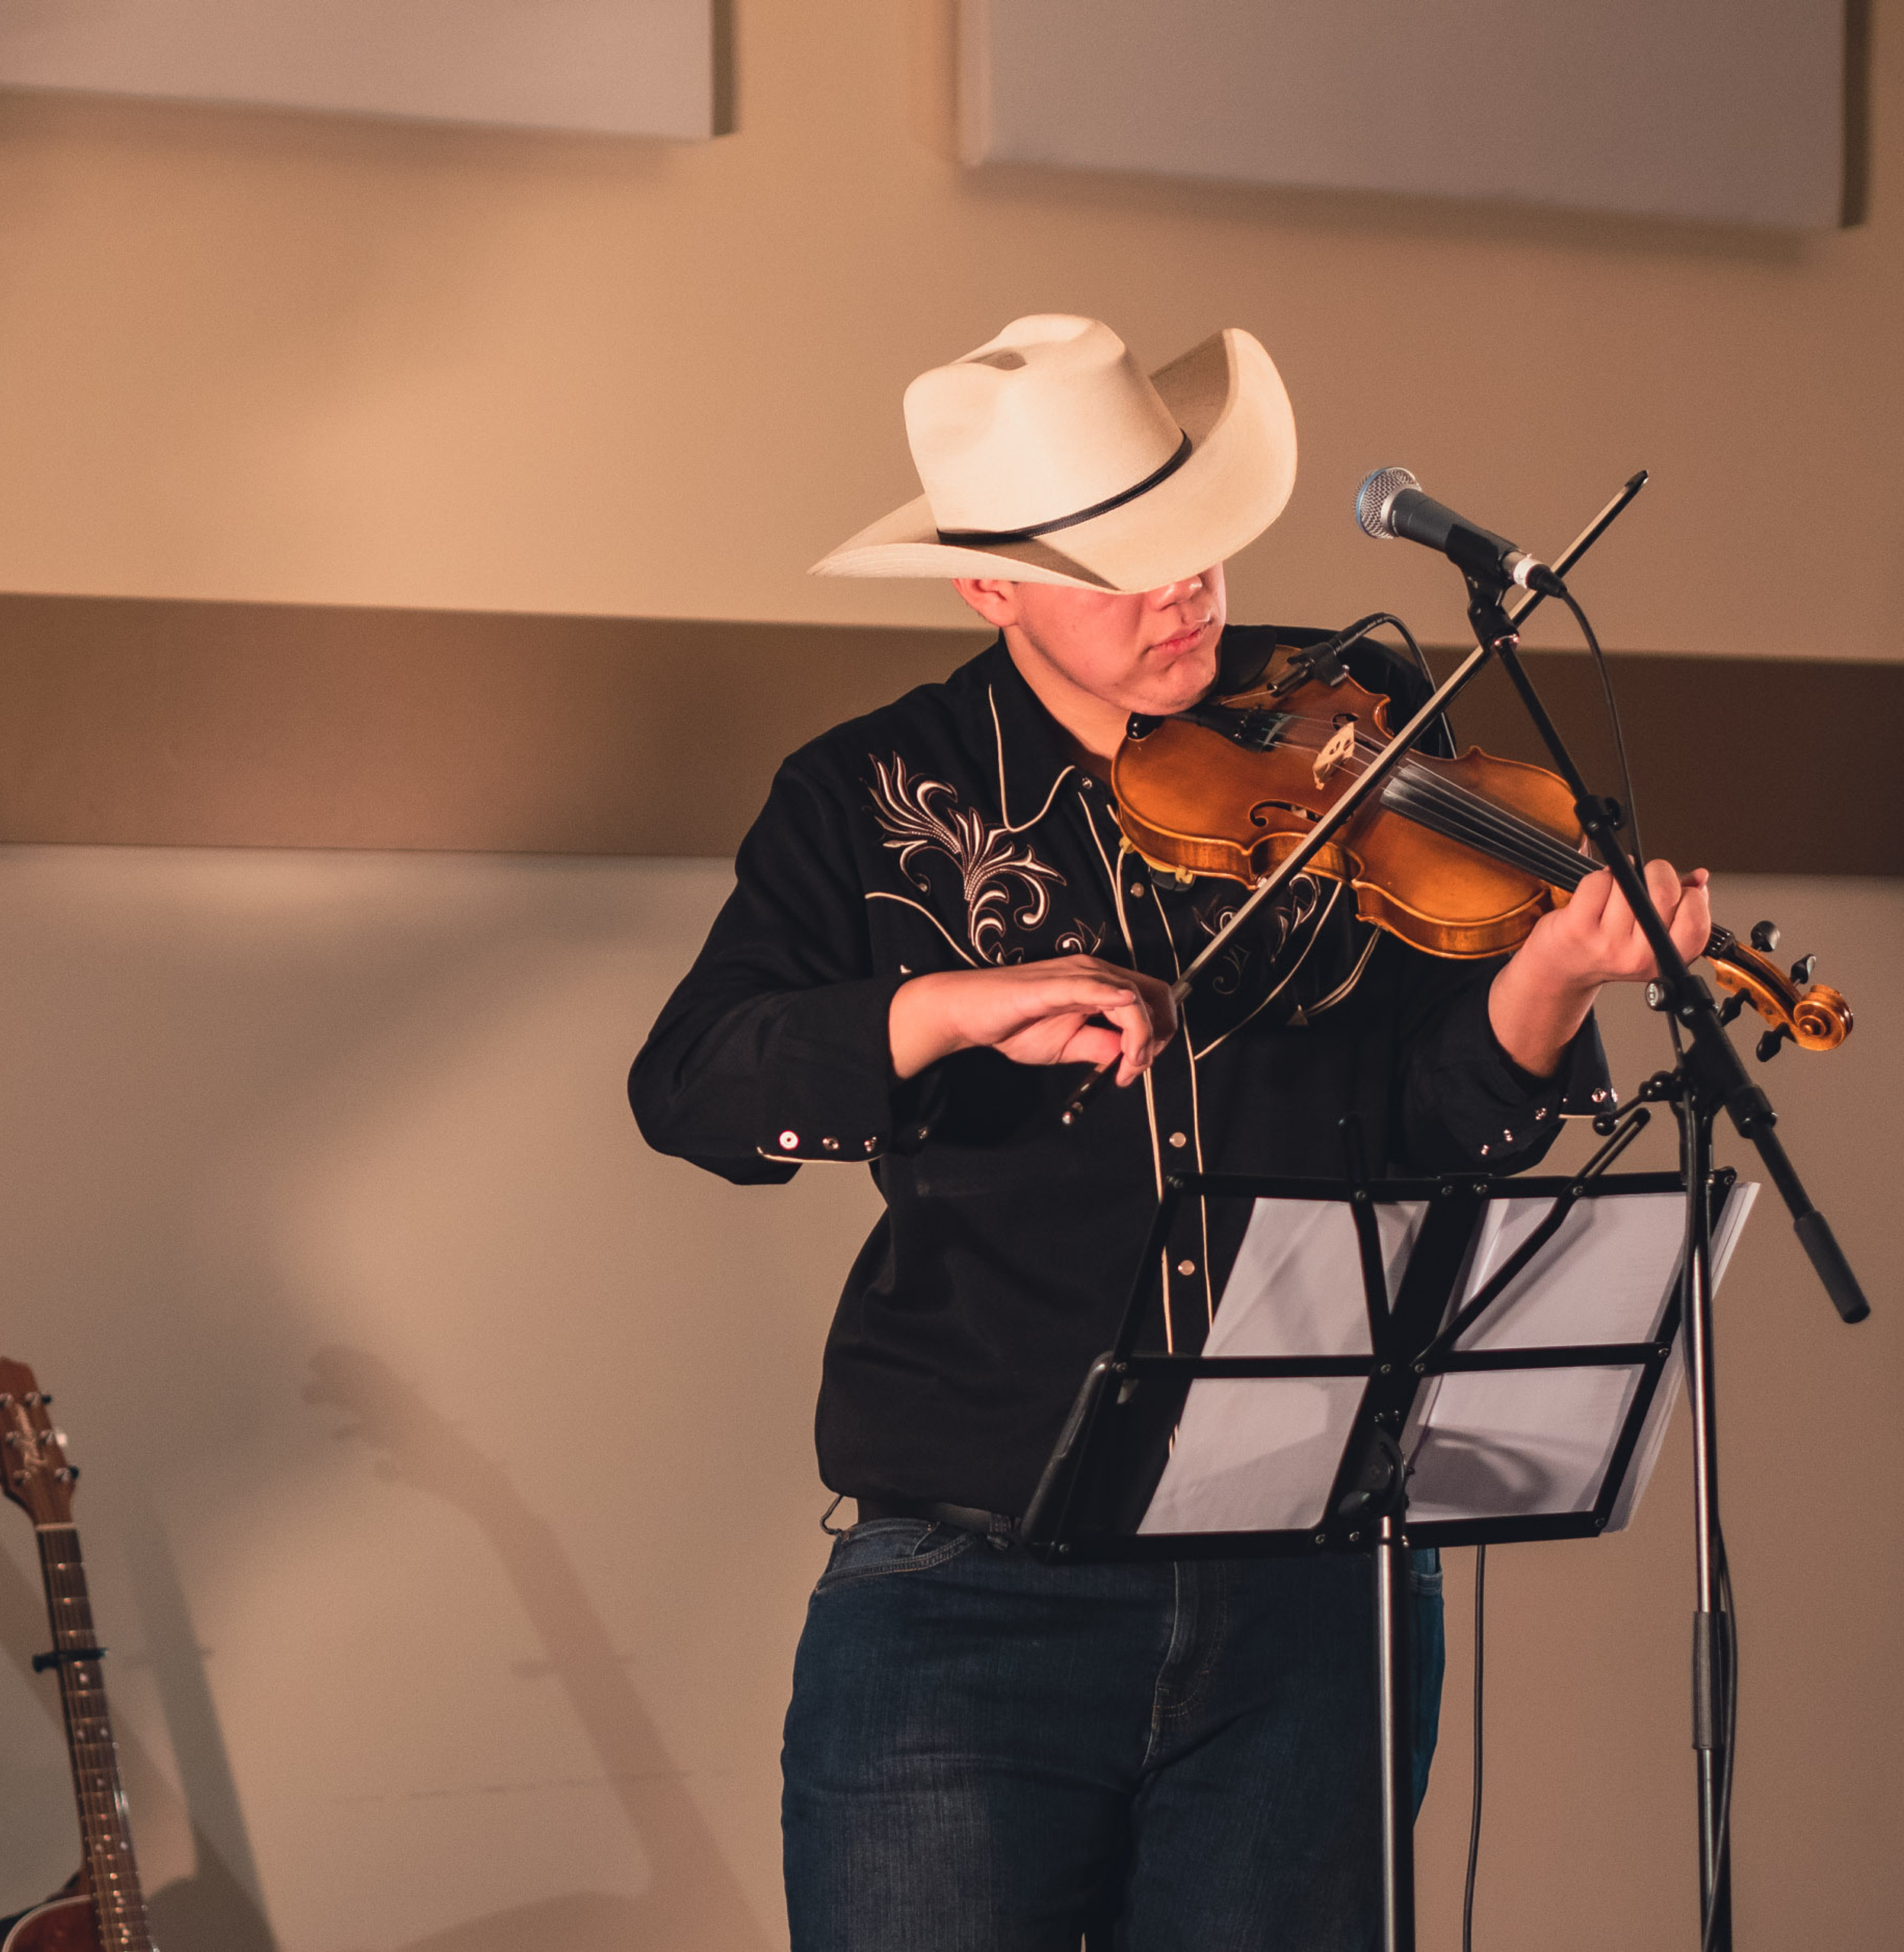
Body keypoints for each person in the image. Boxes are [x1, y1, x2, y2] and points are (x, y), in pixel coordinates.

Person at [628, 315, 1710, 1951]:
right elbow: (692, 1081)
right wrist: (939, 1006)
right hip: (969, 1587)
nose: (1183, 592)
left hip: (1311, 1583)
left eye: (1194, 544)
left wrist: (1551, 974)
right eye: (1122, 567)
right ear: (984, 586)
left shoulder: (1346, 724)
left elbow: (1435, 1112)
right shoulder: (864, 791)